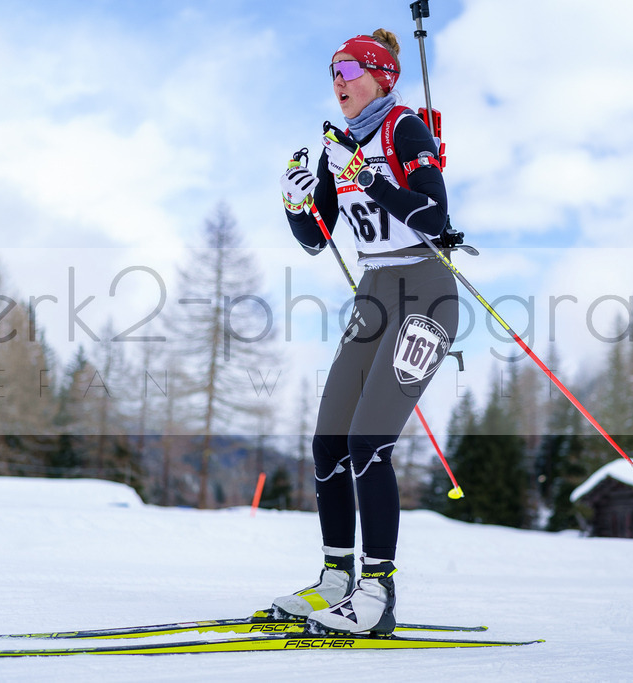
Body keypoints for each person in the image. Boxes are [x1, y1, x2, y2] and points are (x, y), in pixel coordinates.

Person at [275, 28, 458, 635]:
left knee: (367, 443)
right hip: (374, 295)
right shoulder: (335, 148)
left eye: (350, 68)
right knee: (329, 440)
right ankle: (336, 581)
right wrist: (297, 204)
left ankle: (379, 593)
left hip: (426, 290)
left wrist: (372, 177)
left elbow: (435, 214)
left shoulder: (405, 127)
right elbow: (316, 240)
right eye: (332, 70)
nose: (339, 80)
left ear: (382, 76)